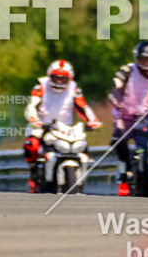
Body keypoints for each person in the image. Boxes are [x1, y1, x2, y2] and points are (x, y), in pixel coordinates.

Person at [22, 60, 102, 193]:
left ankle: (79, 177)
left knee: (82, 144)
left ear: (70, 78)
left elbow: (82, 106)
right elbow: (32, 105)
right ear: (50, 76)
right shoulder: (41, 86)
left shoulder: (74, 89)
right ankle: (34, 172)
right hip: (42, 125)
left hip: (65, 128)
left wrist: (93, 120)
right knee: (32, 145)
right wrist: (34, 119)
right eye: (56, 77)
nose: (59, 81)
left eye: (63, 78)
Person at [108, 41, 148, 188]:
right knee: (119, 138)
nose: (147, 63)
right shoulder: (127, 71)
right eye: (144, 59)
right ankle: (125, 167)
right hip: (129, 116)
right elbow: (115, 90)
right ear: (137, 58)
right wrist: (118, 105)